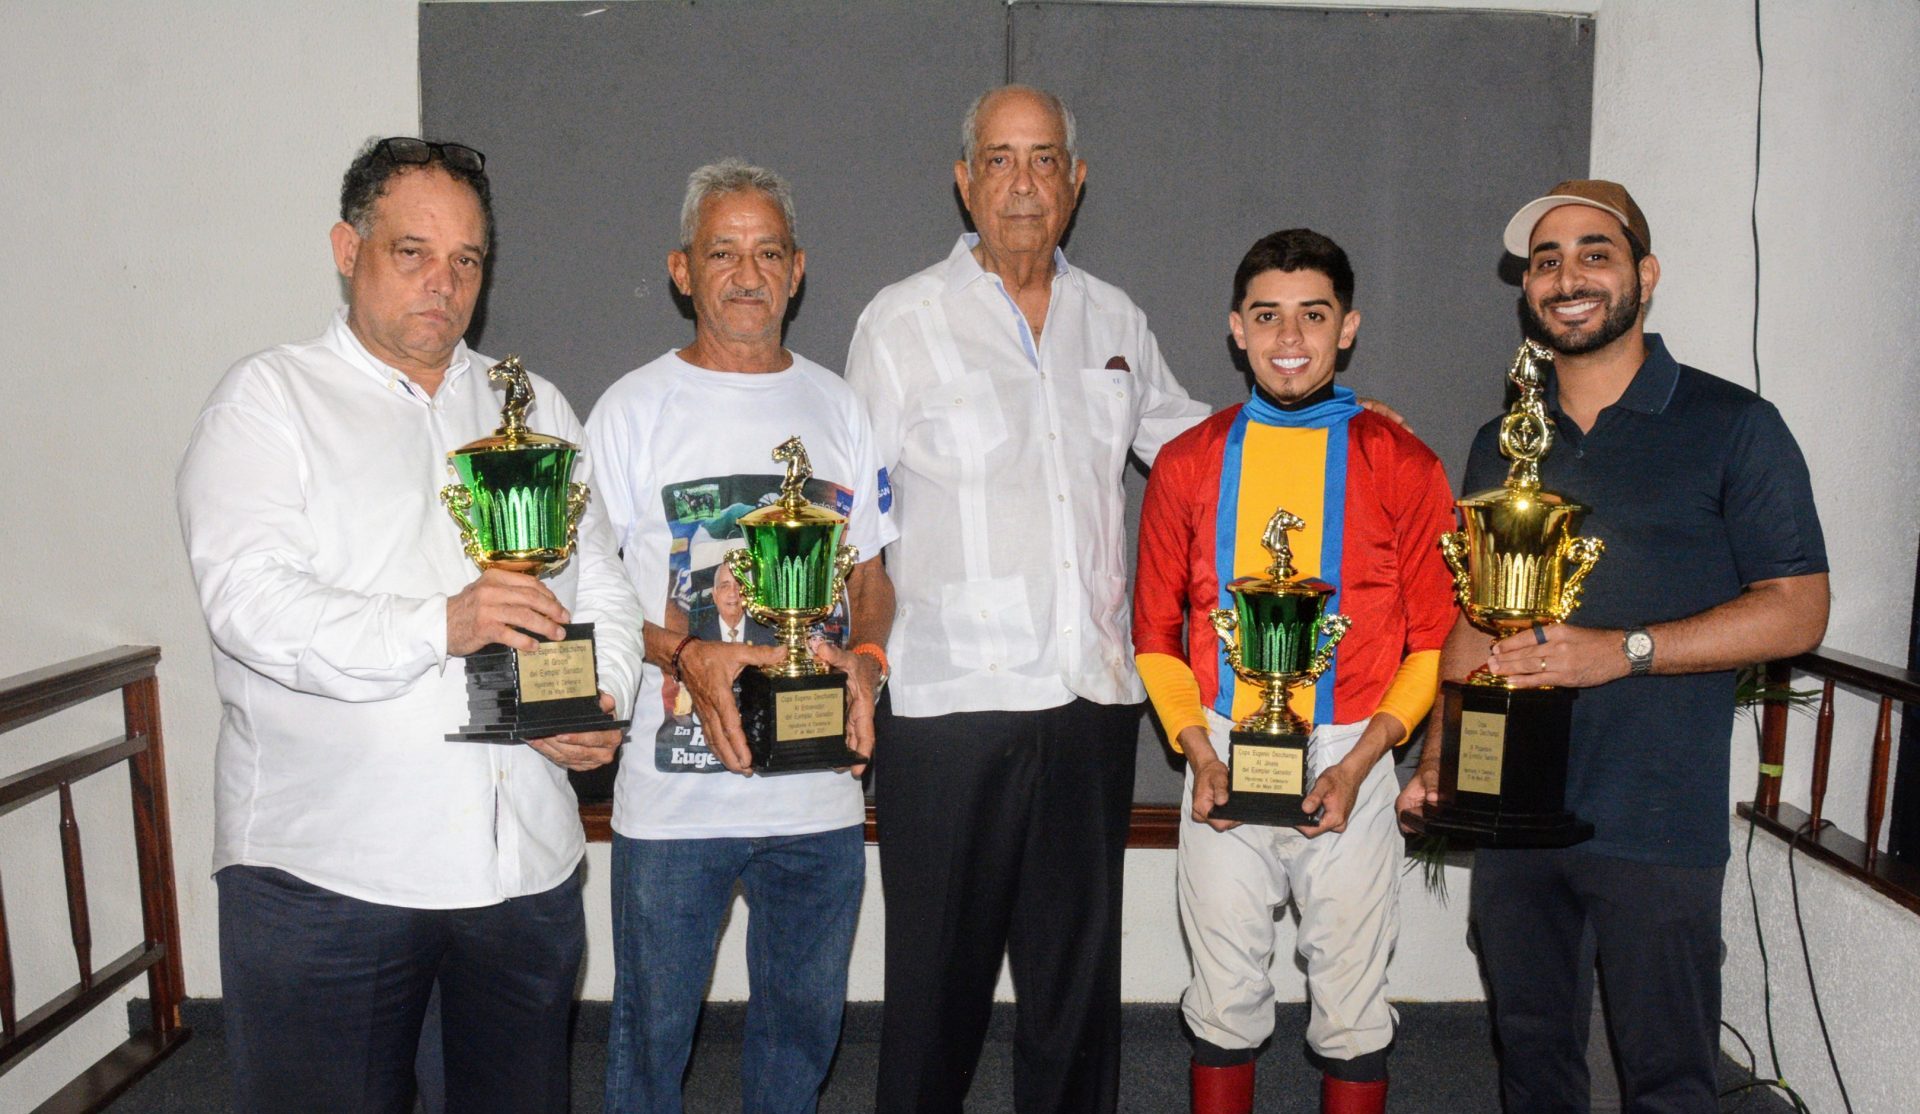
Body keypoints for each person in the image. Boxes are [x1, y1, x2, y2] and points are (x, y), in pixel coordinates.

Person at [177, 136, 642, 1113]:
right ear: (347, 250)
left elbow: (600, 577)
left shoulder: (531, 407)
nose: (445, 282)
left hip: (520, 871)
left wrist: (598, 698)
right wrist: (442, 623)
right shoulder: (268, 401)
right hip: (331, 879)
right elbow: (251, 603)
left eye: (467, 259)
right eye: (412, 252)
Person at [1397, 179, 1830, 1111]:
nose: (1569, 277)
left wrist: (1620, 649)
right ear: (1528, 290)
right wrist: (1440, 759)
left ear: (1646, 274)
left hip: (1657, 818)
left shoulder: (1734, 426)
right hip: (1513, 816)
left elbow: (1798, 610)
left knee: (1668, 1076)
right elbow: (1476, 614)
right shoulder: (1501, 441)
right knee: (1532, 1061)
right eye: (1546, 262)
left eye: (1595, 253)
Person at [844, 84, 1213, 1114]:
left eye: (1044, 159)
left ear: (1075, 181)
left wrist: (1326, 429)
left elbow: (1196, 452)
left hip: (1089, 702)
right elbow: (852, 515)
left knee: (1075, 1000)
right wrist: (857, 662)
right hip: (947, 709)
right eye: (999, 160)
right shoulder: (901, 320)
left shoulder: (1115, 318)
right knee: (936, 996)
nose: (1022, 183)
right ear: (964, 181)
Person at [586, 158, 896, 1114]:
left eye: (768, 253)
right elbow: (591, 593)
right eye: (723, 252)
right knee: (651, 1045)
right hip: (674, 798)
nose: (747, 274)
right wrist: (684, 653)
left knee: (801, 1042)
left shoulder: (841, 407)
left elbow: (870, 577)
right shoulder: (631, 409)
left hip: (819, 800)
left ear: (797, 270)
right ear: (683, 271)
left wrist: (868, 661)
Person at [1133, 229, 1456, 1114]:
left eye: (1312, 316)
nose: (1289, 337)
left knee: (1352, 1003)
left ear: (1346, 328)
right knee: (1222, 995)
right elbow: (1155, 634)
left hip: (1356, 748)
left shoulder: (1403, 463)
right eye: (1267, 315)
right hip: (1222, 747)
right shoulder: (1188, 462)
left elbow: (1433, 641)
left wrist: (1362, 764)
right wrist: (1201, 755)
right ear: (1236, 328)